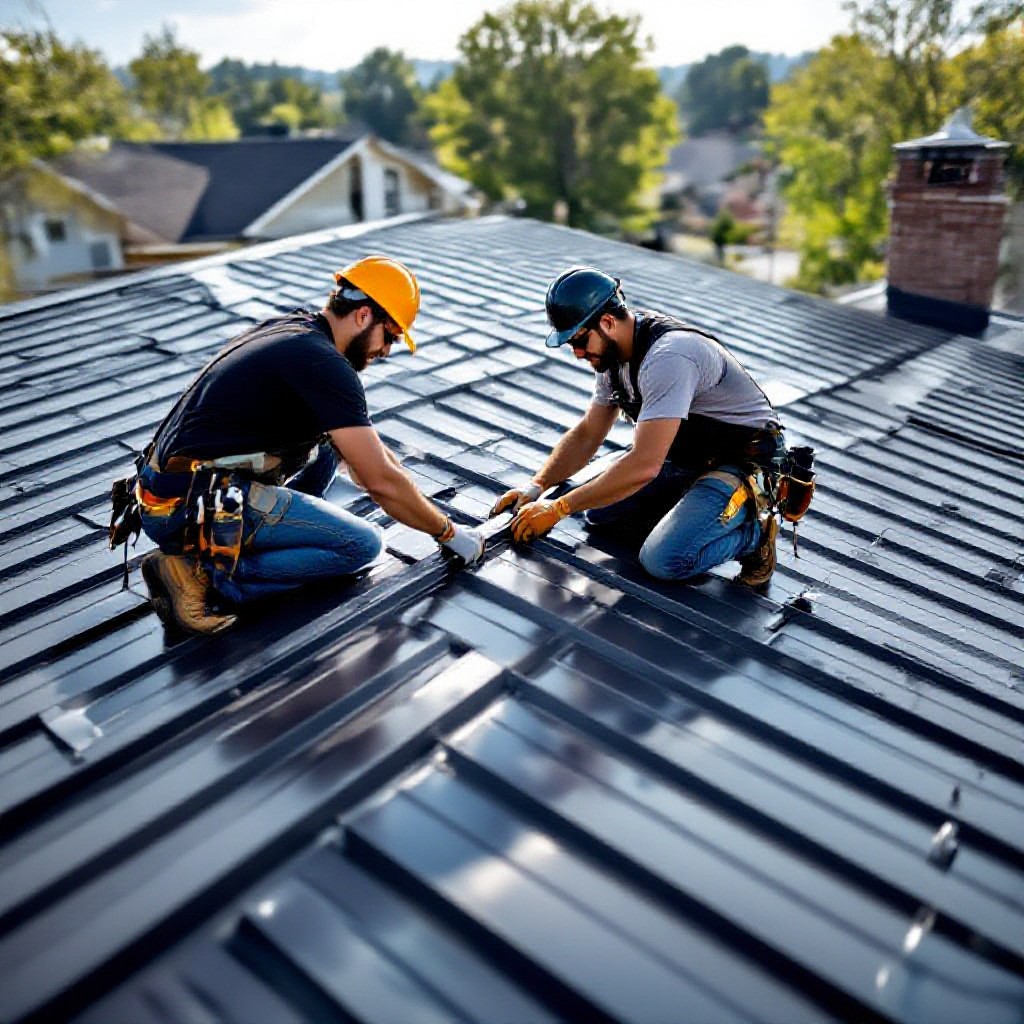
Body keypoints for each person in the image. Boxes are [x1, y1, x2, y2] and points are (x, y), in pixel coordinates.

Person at [132, 255, 484, 635]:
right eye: (390, 336)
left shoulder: (295, 331)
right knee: (361, 545)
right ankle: (202, 573)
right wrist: (449, 533)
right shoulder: (324, 364)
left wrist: (418, 502)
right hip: (193, 506)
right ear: (364, 316)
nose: (386, 351)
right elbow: (379, 481)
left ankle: (237, 544)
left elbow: (373, 459)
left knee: (332, 448)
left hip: (174, 492)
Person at [490, 266, 787, 585]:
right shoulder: (612, 360)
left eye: (579, 341)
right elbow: (588, 433)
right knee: (600, 514)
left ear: (606, 323)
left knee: (663, 560)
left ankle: (754, 537)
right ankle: (691, 514)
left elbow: (645, 464)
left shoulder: (669, 357)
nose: (577, 354)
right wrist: (536, 487)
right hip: (688, 460)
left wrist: (558, 508)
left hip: (742, 465)